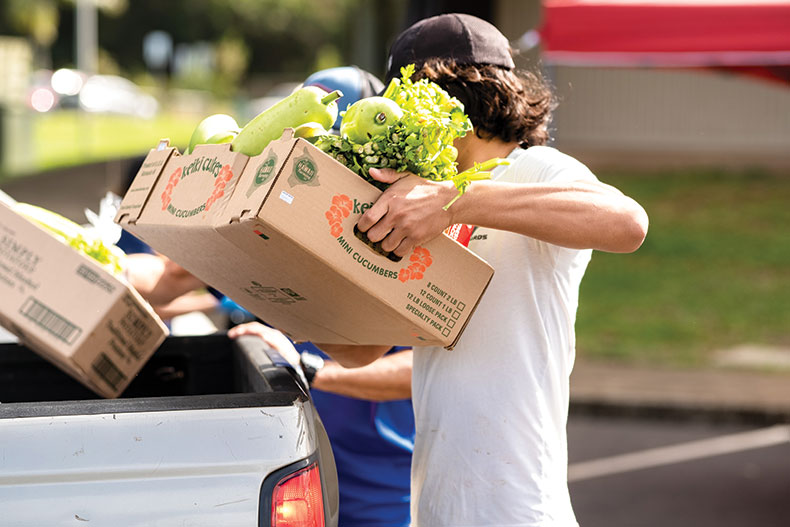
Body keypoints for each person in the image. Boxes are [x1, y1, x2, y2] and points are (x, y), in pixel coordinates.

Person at [313, 13, 650, 527]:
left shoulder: (536, 169)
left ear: (446, 94)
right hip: (436, 504)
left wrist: (454, 201)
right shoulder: (421, 199)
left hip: (517, 507)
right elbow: (361, 352)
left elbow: (627, 223)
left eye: (401, 103)